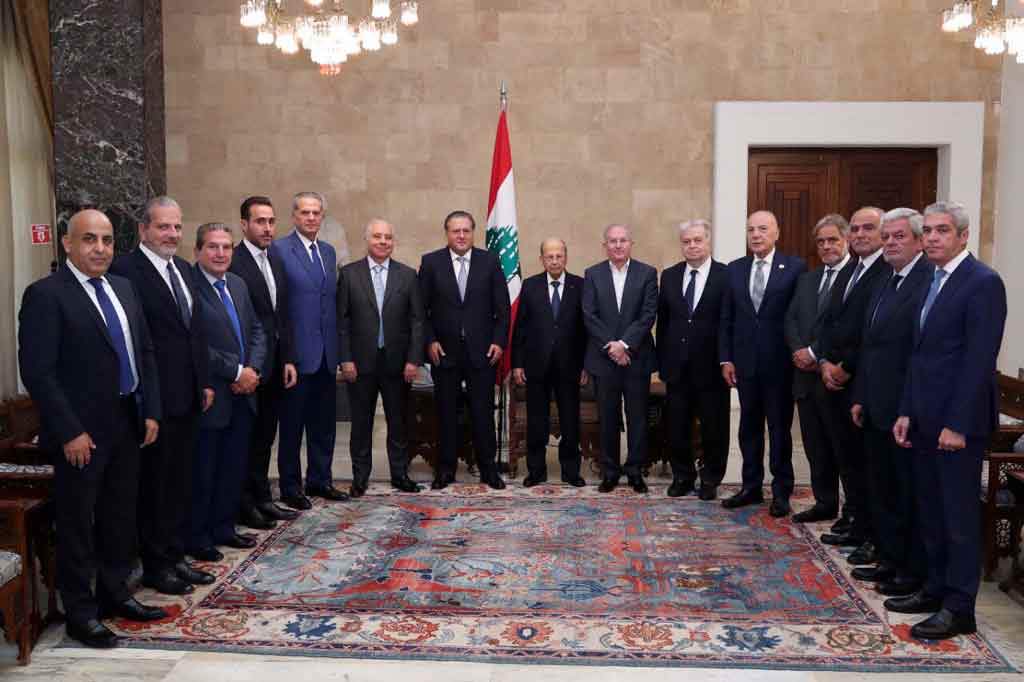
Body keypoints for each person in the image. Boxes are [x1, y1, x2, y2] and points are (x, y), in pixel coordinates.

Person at [19, 209, 165, 648]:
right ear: (68, 243)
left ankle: (115, 594)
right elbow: (39, 373)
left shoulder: (123, 288)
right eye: (89, 239)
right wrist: (69, 431)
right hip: (80, 435)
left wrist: (150, 410)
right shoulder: (46, 295)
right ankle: (81, 613)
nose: (100, 248)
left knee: (120, 517)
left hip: (127, 423)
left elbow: (144, 352)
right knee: (79, 524)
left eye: (107, 240)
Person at [887, 201, 1007, 641]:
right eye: (929, 231)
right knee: (930, 511)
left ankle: (959, 608)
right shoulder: (932, 279)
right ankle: (934, 588)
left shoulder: (983, 283)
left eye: (942, 230)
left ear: (963, 236)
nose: (933, 238)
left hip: (957, 425)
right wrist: (905, 409)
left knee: (957, 518)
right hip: (922, 417)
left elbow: (978, 361)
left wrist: (957, 424)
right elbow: (917, 356)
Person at [109, 196, 214, 596]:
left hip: (189, 396)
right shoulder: (126, 272)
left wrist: (204, 381)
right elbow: (137, 343)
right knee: (155, 486)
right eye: (163, 227)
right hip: (154, 400)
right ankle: (155, 565)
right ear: (143, 230)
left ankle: (174, 555)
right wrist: (150, 402)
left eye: (177, 227)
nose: (172, 234)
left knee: (180, 482)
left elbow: (194, 332)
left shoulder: (183, 269)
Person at [850, 208, 932, 598]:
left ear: (918, 241)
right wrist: (861, 395)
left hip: (905, 407)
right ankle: (888, 558)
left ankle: (909, 569)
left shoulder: (927, 279)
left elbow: (918, 353)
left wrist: (907, 407)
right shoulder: (887, 278)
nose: (890, 243)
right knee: (881, 488)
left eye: (900, 236)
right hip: (876, 403)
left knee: (905, 494)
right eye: (888, 237)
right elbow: (871, 344)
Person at [815, 207, 889, 565]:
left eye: (867, 228)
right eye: (856, 229)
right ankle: (856, 521)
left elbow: (873, 333)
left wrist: (846, 367)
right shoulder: (851, 270)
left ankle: (872, 532)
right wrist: (825, 363)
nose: (860, 235)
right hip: (834, 380)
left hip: (862, 383)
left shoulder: (886, 271)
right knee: (847, 459)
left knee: (869, 465)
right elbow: (829, 323)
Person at [188, 223, 267, 560]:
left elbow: (257, 330)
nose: (220, 253)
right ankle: (199, 536)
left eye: (226, 247)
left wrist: (253, 370)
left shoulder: (237, 283)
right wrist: (236, 371)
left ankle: (224, 527)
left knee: (233, 467)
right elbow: (193, 343)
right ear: (197, 251)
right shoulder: (189, 287)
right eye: (212, 247)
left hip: (244, 392)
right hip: (213, 394)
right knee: (205, 470)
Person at [719, 210, 806, 516]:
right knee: (749, 428)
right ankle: (751, 487)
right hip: (745, 364)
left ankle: (781, 492)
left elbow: (799, 316)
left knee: (779, 430)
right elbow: (726, 318)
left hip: (780, 364)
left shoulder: (794, 268)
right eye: (751, 230)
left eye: (763, 229)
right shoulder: (735, 269)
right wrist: (726, 358)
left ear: (776, 233)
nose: (756, 235)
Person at [418, 210, 511, 490]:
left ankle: (488, 470)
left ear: (473, 233)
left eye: (466, 231)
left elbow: (503, 309)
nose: (461, 236)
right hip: (444, 352)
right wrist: (430, 341)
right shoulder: (431, 262)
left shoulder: (490, 261)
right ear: (447, 233)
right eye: (455, 231)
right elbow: (420, 310)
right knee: (446, 413)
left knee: (483, 413)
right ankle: (445, 470)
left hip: (482, 353)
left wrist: (498, 342)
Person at [268, 192, 348, 508]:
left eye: (316, 213)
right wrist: (286, 355)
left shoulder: (328, 252)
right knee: (292, 426)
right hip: (297, 357)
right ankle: (290, 486)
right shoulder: (279, 250)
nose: (311, 218)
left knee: (324, 424)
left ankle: (320, 480)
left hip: (326, 354)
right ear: (294, 216)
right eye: (305, 212)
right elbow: (279, 308)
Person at [338, 219, 424, 496]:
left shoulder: (408, 275)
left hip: (398, 364)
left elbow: (417, 321)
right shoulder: (349, 274)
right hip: (359, 364)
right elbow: (342, 322)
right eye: (377, 236)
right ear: (367, 239)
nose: (383, 241)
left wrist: (413, 360)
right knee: (361, 424)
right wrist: (345, 359)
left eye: (388, 237)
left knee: (398, 423)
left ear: (393, 241)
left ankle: (400, 475)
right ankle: (360, 478)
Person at [228, 196, 300, 529]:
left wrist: (288, 359)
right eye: (260, 221)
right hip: (248, 370)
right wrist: (248, 368)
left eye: (271, 221)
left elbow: (282, 315)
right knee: (246, 439)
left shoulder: (275, 259)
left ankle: (262, 498)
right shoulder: (233, 261)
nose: (268, 228)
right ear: (244, 224)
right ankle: (244, 504)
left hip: (275, 366)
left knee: (265, 438)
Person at [582, 224, 658, 494]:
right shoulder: (592, 274)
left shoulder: (647, 273)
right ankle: (610, 471)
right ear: (605, 246)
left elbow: (648, 314)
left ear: (631, 244)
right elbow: (589, 315)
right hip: (604, 360)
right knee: (608, 417)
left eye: (622, 240)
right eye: (612, 241)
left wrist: (625, 345)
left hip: (636, 358)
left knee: (637, 417)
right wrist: (612, 348)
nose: (617, 245)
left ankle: (635, 470)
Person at [784, 214, 851, 523]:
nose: (826, 246)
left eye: (833, 240)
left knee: (843, 449)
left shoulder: (856, 277)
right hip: (805, 378)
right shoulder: (808, 279)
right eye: (821, 241)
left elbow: (847, 328)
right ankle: (824, 502)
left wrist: (814, 352)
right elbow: (791, 318)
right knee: (815, 446)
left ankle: (853, 512)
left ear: (846, 240)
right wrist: (799, 350)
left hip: (837, 378)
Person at [656, 219, 729, 500]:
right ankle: (682, 476)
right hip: (677, 367)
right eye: (686, 241)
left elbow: (729, 321)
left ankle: (710, 478)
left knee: (714, 427)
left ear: (708, 241)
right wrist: (662, 361)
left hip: (712, 367)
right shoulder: (670, 275)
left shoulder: (725, 275)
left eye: (698, 240)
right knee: (677, 426)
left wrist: (727, 360)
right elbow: (664, 322)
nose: (692, 246)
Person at [511, 238, 588, 488]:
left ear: (566, 257)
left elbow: (587, 329)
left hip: (570, 365)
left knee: (570, 420)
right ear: (542, 259)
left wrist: (586, 365)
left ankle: (571, 471)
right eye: (549, 256)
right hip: (537, 365)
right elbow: (520, 328)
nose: (554, 261)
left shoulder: (580, 285)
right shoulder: (530, 285)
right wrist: (517, 364)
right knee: (537, 421)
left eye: (559, 256)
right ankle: (536, 471)